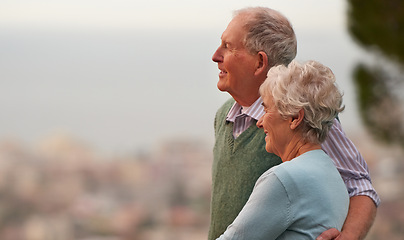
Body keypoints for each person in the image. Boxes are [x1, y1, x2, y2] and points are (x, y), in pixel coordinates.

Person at [209, 7, 380, 240]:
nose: (215, 55)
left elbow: (359, 185)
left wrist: (348, 236)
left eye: (228, 47)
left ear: (259, 62)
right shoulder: (223, 115)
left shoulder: (305, 117)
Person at [216, 60, 349, 239]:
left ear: (295, 117)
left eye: (266, 109)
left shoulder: (284, 179)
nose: (260, 122)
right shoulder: (334, 177)